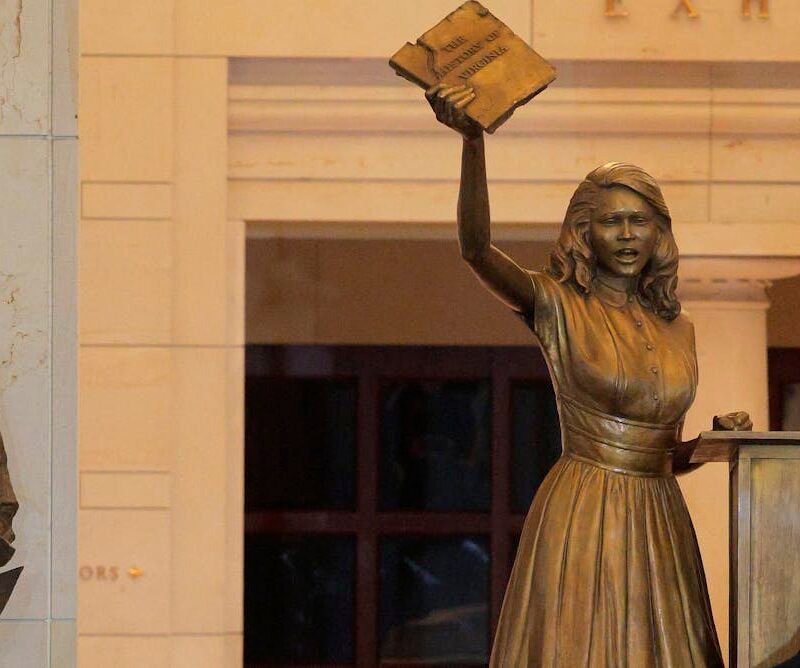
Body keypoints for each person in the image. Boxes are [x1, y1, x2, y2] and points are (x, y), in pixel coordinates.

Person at [425, 83, 751, 667]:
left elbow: (661, 452)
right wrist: (472, 141)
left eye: (641, 222)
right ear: (584, 232)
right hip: (586, 507)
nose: (628, 236)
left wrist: (709, 444)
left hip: (659, 517)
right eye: (612, 223)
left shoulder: (679, 329)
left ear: (660, 233)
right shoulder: (556, 304)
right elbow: (476, 250)